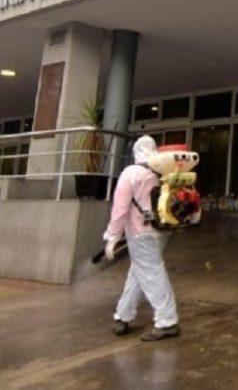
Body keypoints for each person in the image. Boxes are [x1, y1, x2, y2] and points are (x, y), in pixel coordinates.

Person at [103, 135, 180, 341]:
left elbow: (120, 208)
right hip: (162, 230)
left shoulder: (131, 173)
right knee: (139, 272)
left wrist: (112, 236)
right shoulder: (162, 172)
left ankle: (167, 321)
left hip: (140, 233)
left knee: (152, 273)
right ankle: (123, 315)